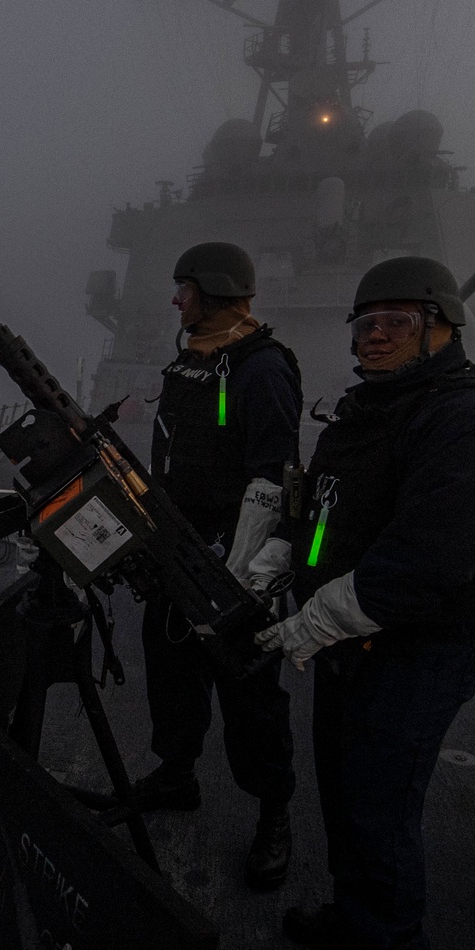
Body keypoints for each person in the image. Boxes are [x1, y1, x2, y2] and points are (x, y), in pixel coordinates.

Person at [256, 256, 475, 950]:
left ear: (443, 329)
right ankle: (354, 911)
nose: (375, 332)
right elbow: (323, 512)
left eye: (399, 320)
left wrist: (310, 623)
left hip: (418, 650)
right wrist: (279, 560)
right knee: (342, 790)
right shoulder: (368, 410)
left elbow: (426, 563)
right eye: (365, 321)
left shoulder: (470, 422)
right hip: (351, 639)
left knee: (379, 808)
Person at [136, 241, 303, 890]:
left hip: (233, 568)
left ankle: (274, 815)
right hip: (175, 551)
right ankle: (176, 775)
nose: (176, 299)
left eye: (184, 287)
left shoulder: (260, 370)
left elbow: (278, 476)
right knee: (171, 675)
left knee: (251, 701)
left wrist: (250, 572)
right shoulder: (191, 364)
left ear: (212, 289)